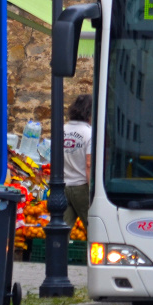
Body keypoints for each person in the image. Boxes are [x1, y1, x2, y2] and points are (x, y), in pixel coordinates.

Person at [63, 94, 92, 231]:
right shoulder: (89, 133)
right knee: (93, 228)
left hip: (62, 187)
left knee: (62, 229)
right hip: (81, 187)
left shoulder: (62, 130)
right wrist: (92, 189)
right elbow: (89, 164)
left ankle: (57, 253)